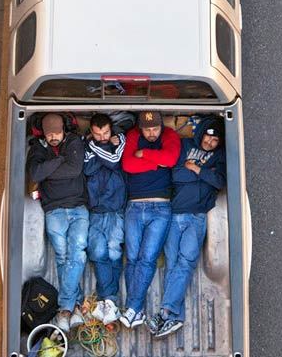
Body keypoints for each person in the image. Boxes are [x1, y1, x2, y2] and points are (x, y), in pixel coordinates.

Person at [146, 115, 227, 338]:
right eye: (208, 138)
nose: (209, 144)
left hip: (197, 217)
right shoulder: (185, 146)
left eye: (214, 142)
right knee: (173, 264)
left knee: (186, 262)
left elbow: (219, 182)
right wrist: (200, 175)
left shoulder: (219, 157)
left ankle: (165, 313)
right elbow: (176, 175)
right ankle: (174, 318)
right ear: (201, 134)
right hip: (175, 214)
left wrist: (197, 170)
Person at [26, 113, 88, 333]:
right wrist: (60, 160)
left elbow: (75, 169)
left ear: (64, 130)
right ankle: (77, 307)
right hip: (54, 211)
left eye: (57, 132)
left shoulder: (73, 142)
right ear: (43, 132)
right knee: (62, 257)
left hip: (78, 208)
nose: (53, 137)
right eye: (49, 133)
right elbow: (35, 172)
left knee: (78, 253)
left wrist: (50, 169)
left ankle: (64, 309)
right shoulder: (37, 148)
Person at [120, 111, 181, 328]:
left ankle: (133, 309)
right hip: (134, 205)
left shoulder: (169, 135)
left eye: (155, 128)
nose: (152, 133)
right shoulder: (133, 135)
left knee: (147, 258)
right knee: (133, 258)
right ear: (140, 128)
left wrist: (143, 153)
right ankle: (135, 311)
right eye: (147, 129)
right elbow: (128, 165)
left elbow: (171, 159)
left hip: (160, 207)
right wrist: (156, 163)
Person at [84, 113, 127, 325]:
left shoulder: (121, 138)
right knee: (98, 253)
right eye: (97, 134)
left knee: (113, 252)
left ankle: (107, 301)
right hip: (95, 209)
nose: (102, 137)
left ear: (112, 129)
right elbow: (87, 168)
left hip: (116, 207)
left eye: (106, 133)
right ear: (91, 131)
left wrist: (98, 150)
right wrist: (106, 149)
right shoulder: (89, 144)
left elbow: (114, 160)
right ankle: (109, 302)